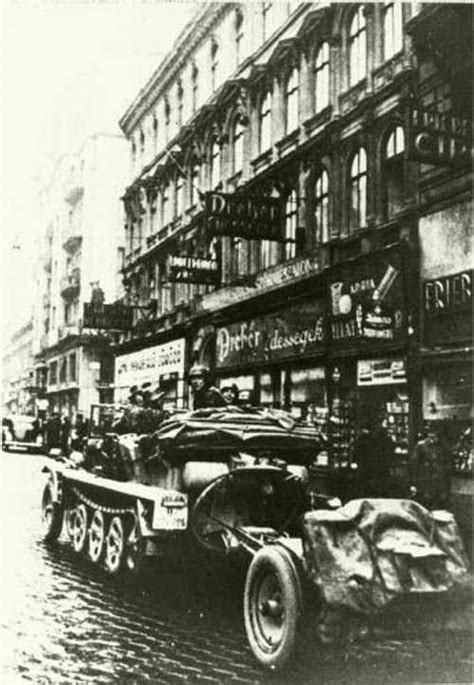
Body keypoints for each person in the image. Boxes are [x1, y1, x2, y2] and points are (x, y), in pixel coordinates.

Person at [353, 413, 395, 498]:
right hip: (380, 470)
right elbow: (390, 453)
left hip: (365, 469)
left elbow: (356, 453)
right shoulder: (384, 439)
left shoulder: (363, 439)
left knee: (365, 490)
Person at [411, 422, 451, 510]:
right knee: (426, 505)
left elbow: (448, 463)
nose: (434, 438)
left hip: (440, 482)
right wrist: (414, 483)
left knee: (441, 507)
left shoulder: (443, 446)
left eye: (436, 436)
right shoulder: (421, 446)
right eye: (432, 435)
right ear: (428, 434)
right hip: (426, 482)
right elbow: (415, 465)